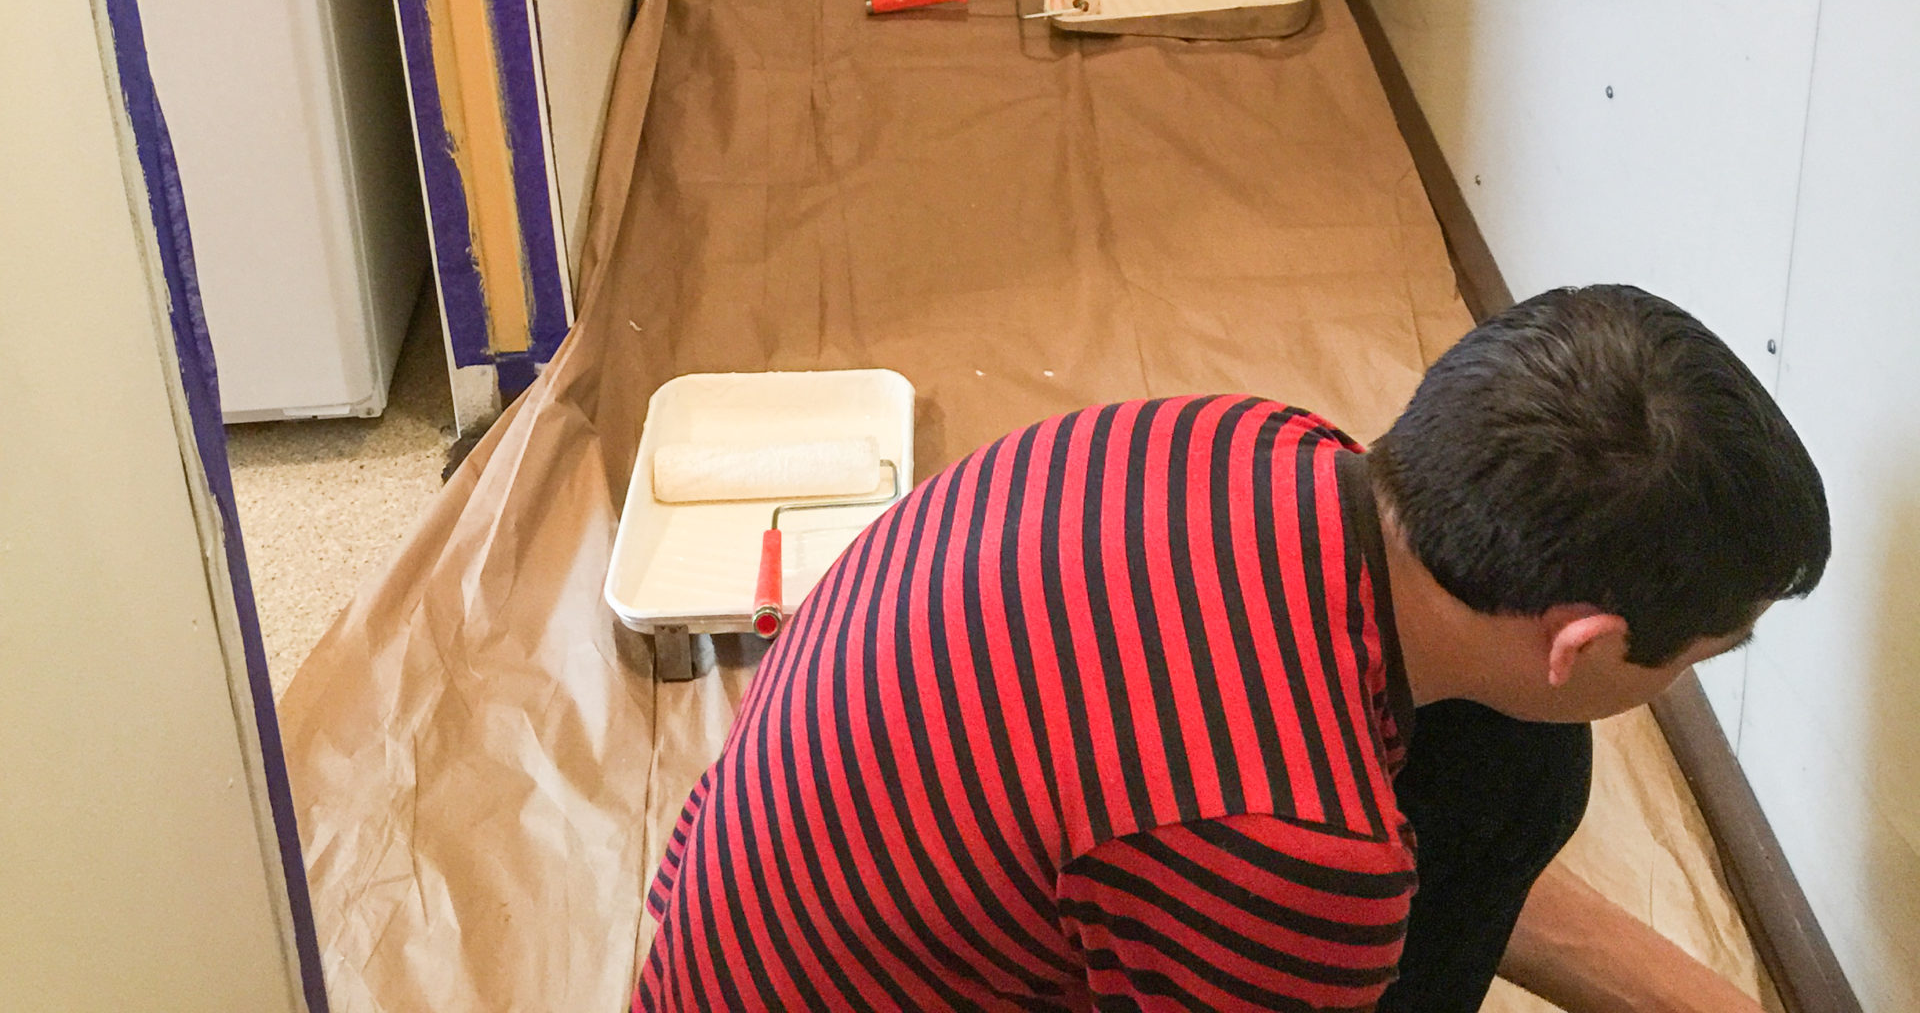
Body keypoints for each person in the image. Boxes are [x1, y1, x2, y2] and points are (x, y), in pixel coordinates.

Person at [634, 285, 1829, 1011]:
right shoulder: (1302, 857)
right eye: (1695, 658)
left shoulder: (1249, 440)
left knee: (1510, 761)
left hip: (744, 939)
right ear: (1584, 644)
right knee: (1509, 767)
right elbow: (1288, 857)